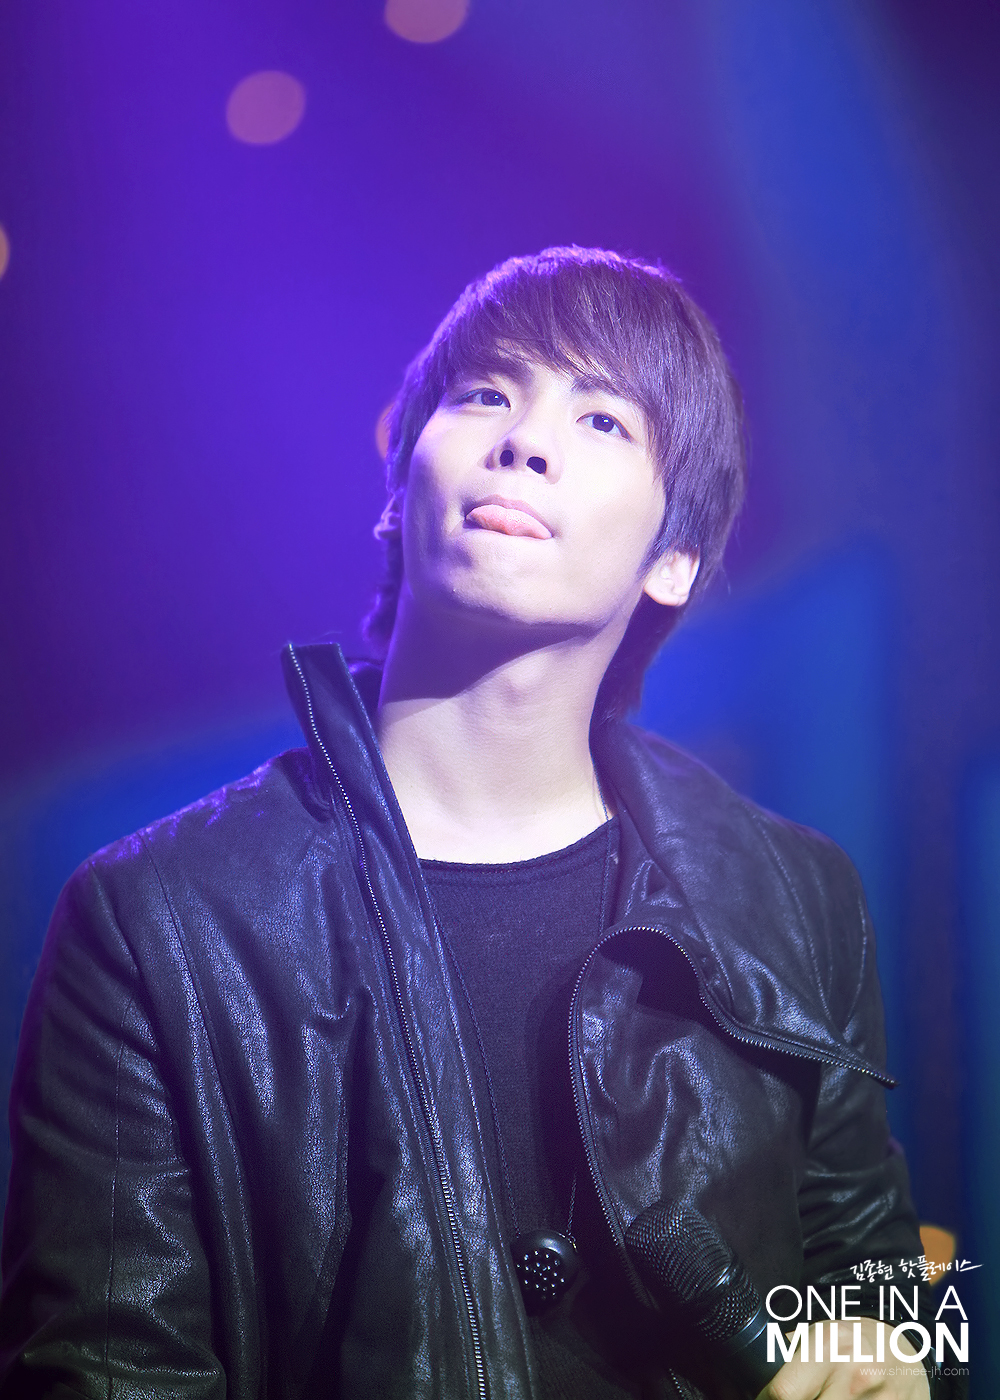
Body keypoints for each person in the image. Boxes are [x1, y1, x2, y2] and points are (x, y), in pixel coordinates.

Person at [0, 247, 951, 1399]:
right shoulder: (158, 923)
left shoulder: (794, 894)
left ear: (675, 558)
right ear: (399, 488)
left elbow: (881, 1269)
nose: (525, 440)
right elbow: (107, 1368)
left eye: (602, 419)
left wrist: (897, 1349)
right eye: (486, 393)